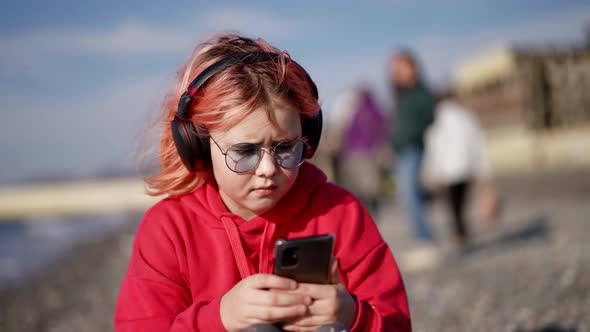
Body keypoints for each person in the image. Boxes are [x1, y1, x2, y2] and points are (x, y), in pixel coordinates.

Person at [114, 33, 411, 332]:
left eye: (285, 148)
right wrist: (219, 319)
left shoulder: (341, 213)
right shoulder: (168, 229)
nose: (268, 169)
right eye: (245, 151)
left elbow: (397, 325)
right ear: (199, 145)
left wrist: (353, 315)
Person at [421, 89, 500, 249]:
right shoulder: (467, 116)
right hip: (466, 168)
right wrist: (483, 169)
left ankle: (459, 232)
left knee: (453, 203)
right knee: (461, 201)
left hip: (447, 170)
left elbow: (435, 146)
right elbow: (478, 142)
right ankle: (461, 231)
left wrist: (431, 168)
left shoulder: (436, 120)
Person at [389, 50, 436, 244]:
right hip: (401, 151)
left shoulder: (420, 91)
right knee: (407, 195)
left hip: (413, 148)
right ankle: (422, 238)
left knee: (409, 194)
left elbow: (429, 116)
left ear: (413, 67)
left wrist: (411, 135)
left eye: (401, 67)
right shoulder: (401, 94)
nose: (397, 72)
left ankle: (425, 240)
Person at [326, 85, 388, 216]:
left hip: (355, 154)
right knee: (368, 186)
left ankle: (364, 211)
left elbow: (346, 131)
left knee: (360, 186)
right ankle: (369, 210)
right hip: (365, 154)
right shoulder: (375, 113)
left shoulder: (355, 113)